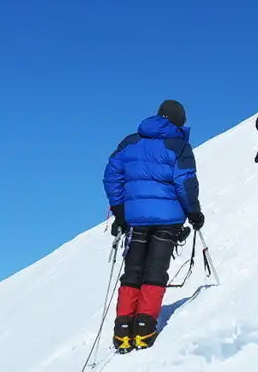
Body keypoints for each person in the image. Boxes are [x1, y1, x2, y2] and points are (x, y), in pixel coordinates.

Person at [103, 99, 205, 353]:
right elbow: (185, 183)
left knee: (133, 271)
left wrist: (120, 209)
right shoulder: (179, 146)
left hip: (135, 220)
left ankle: (123, 331)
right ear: (179, 121)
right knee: (155, 271)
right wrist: (194, 212)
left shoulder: (131, 142)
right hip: (167, 220)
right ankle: (145, 326)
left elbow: (111, 175)